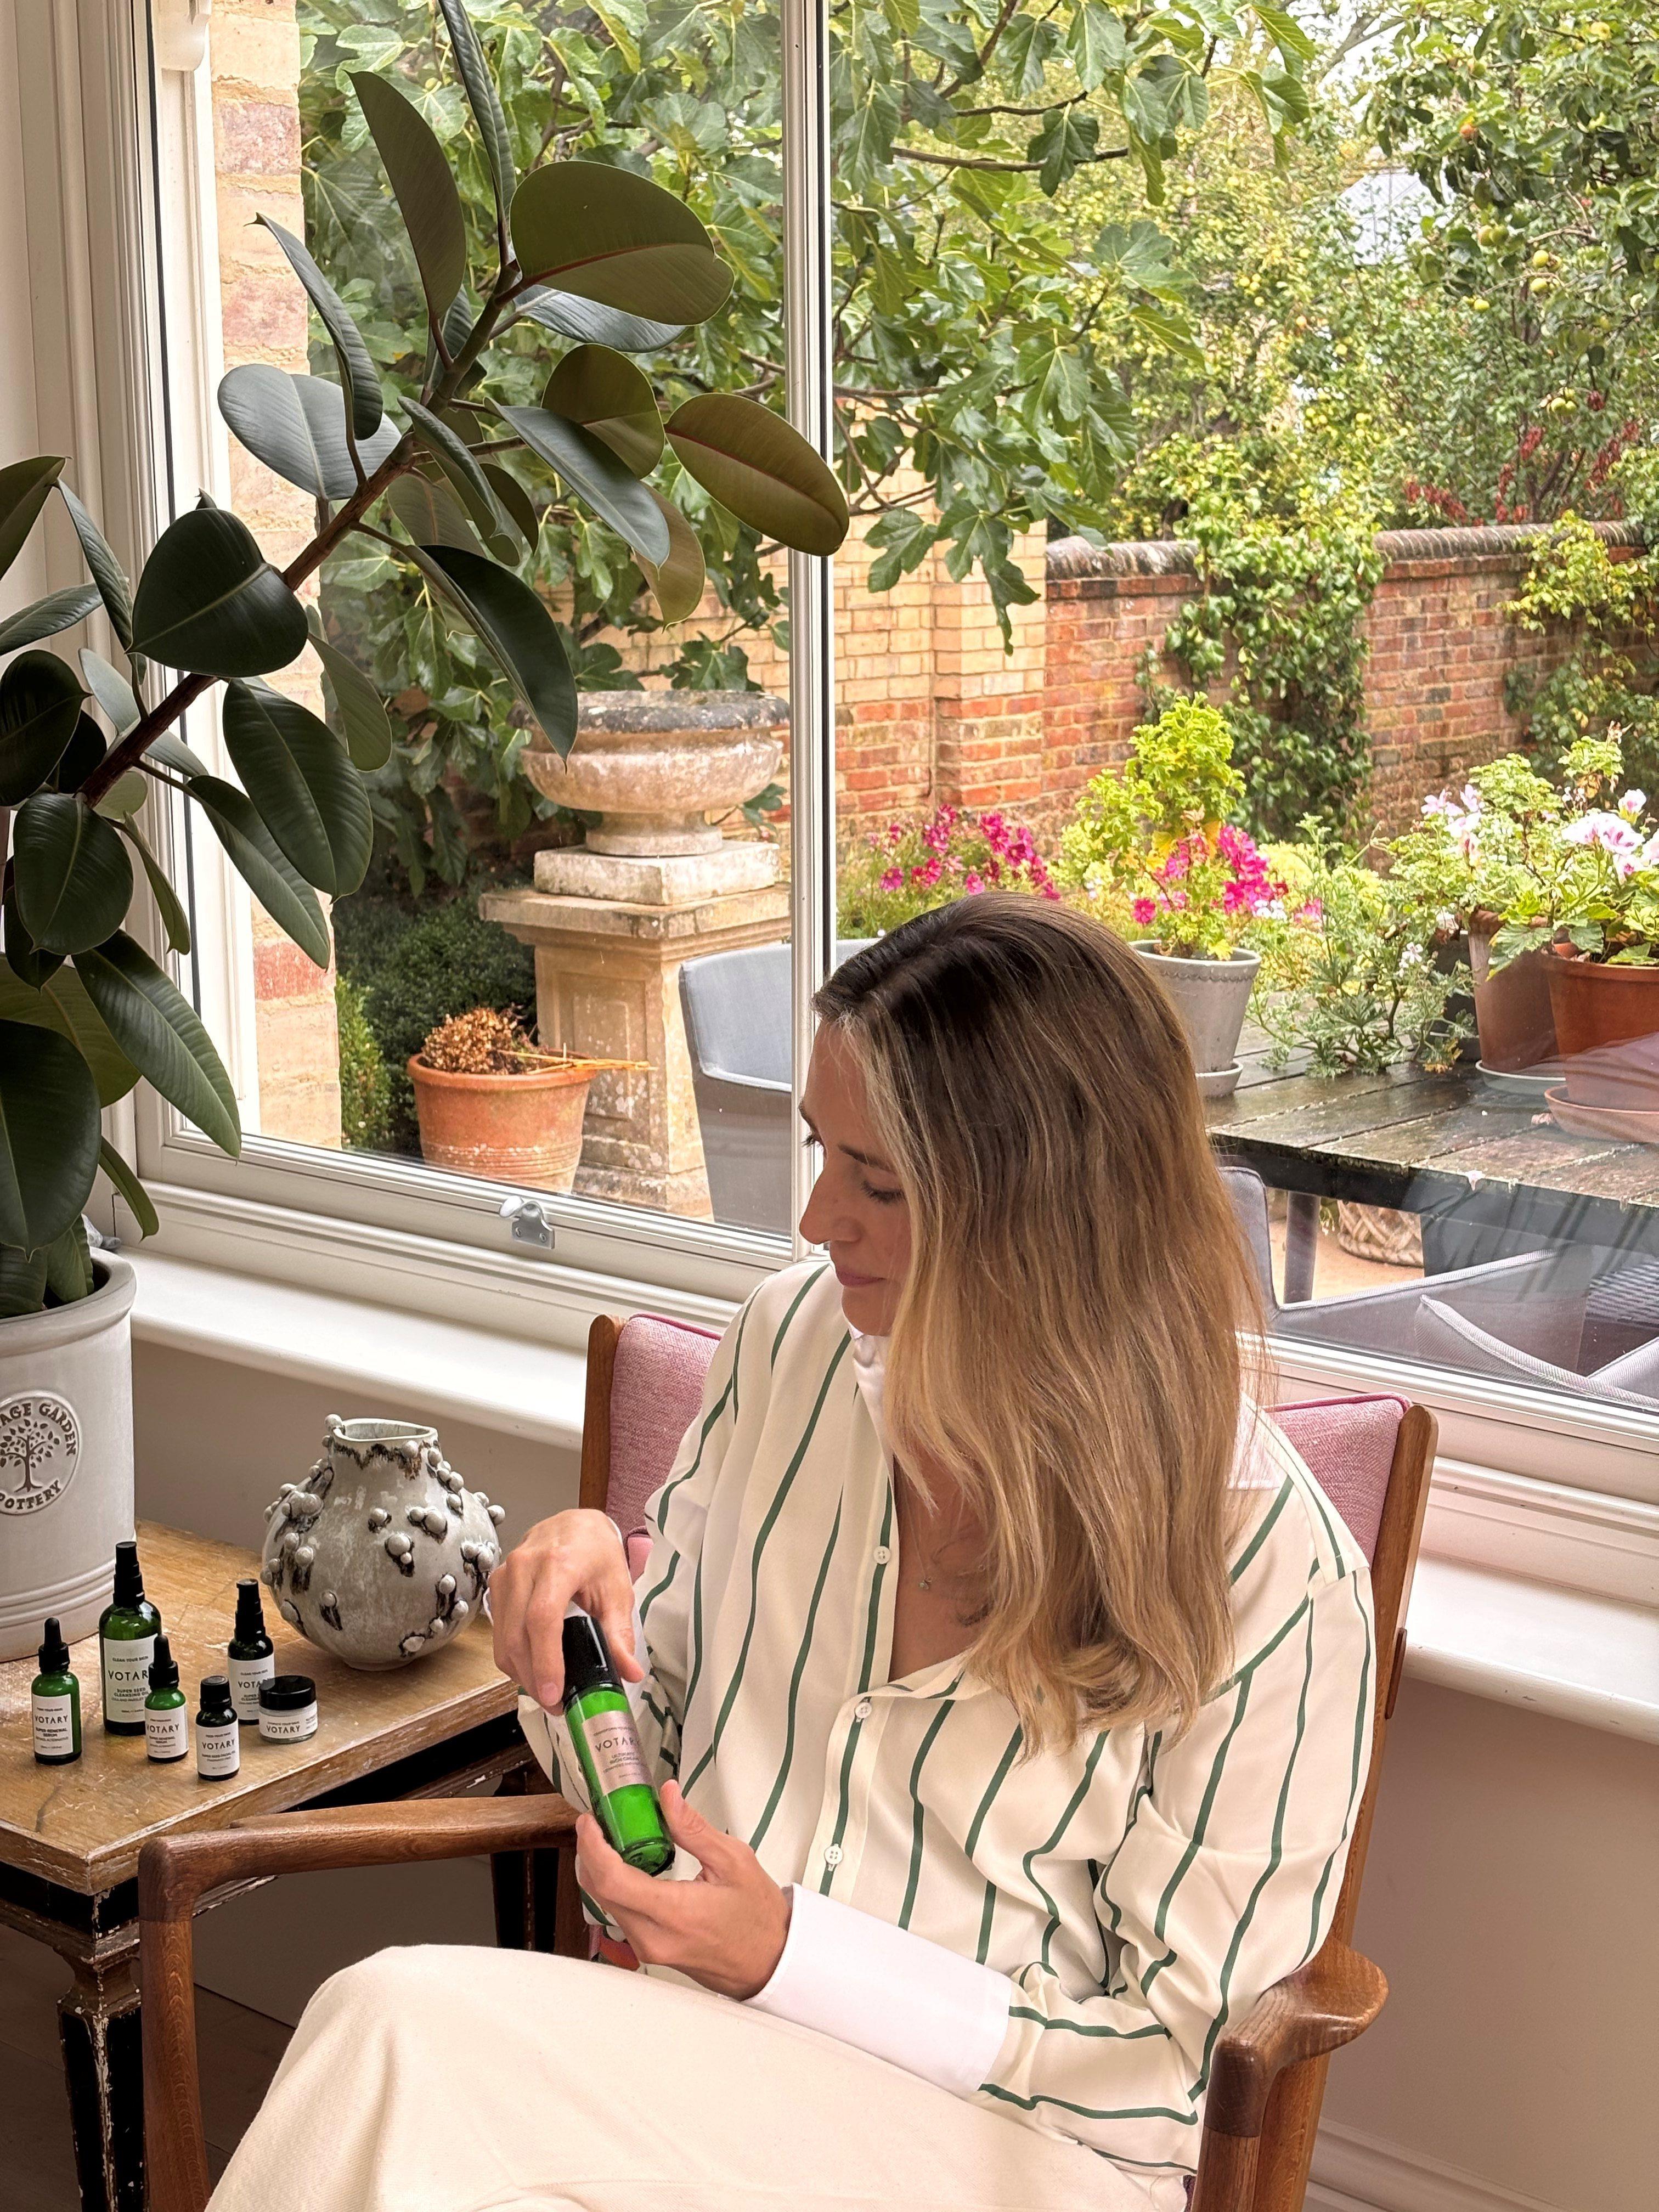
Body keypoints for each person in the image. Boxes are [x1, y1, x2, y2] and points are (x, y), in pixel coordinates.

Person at [210, 897, 1374, 2212]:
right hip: (697, 2057)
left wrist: (792, 1955)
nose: (821, 1219)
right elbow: (638, 1749)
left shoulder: (1270, 1568)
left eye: (880, 1181)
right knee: (387, 2035)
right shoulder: (788, 1347)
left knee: (404, 2062)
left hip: (1014, 2155)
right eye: (825, 1153)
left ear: (1052, 1221)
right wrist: (576, 1620)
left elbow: (1181, 2076)